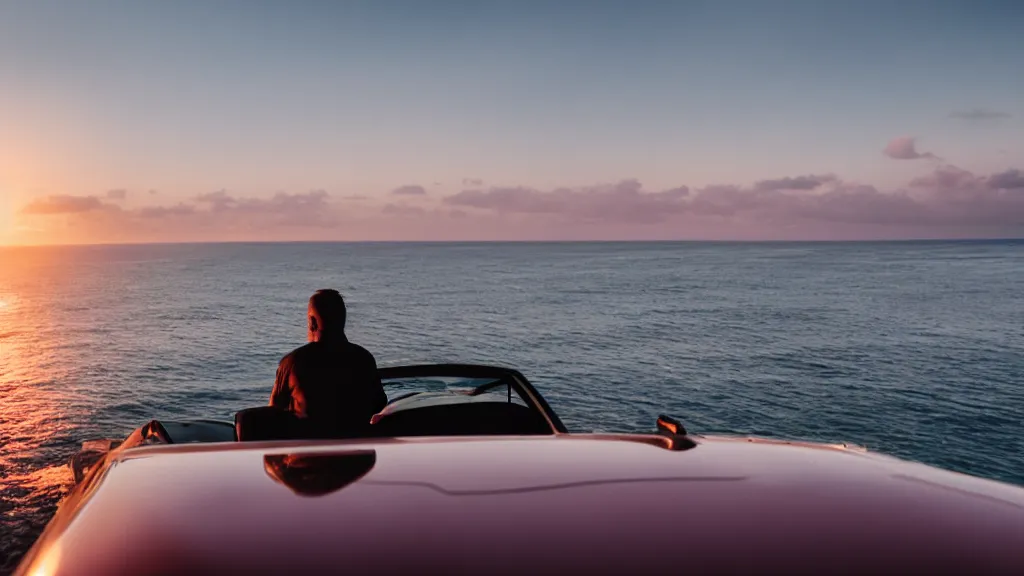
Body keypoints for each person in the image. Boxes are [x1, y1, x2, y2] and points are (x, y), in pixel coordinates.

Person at [269, 289, 387, 437]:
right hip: (355, 456)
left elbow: (272, 415)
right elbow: (379, 405)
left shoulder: (292, 363)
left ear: (312, 322)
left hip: (305, 457)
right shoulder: (364, 359)